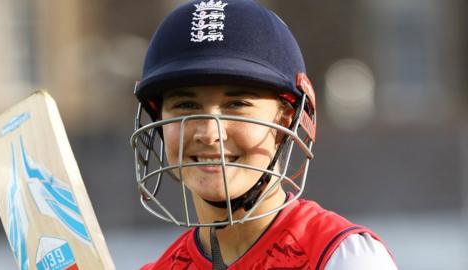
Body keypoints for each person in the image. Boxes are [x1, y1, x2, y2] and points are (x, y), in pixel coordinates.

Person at [130, 0, 398, 269]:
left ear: (286, 119)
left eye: (237, 105)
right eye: (186, 106)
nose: (210, 134)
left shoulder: (343, 258)